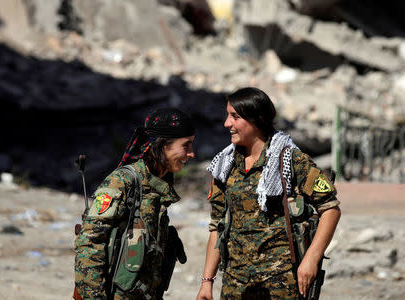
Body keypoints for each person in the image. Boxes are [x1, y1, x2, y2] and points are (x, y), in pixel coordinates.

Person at [196, 87, 341, 300]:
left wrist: (311, 259)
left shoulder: (291, 160)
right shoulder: (224, 166)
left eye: (235, 117)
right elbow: (217, 225)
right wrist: (207, 282)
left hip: (282, 282)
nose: (227, 123)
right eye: (228, 116)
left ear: (258, 119)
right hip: (236, 283)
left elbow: (330, 209)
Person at [74, 108, 196, 299]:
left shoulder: (158, 186)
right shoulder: (123, 182)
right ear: (163, 146)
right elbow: (90, 243)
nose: (191, 154)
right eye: (186, 146)